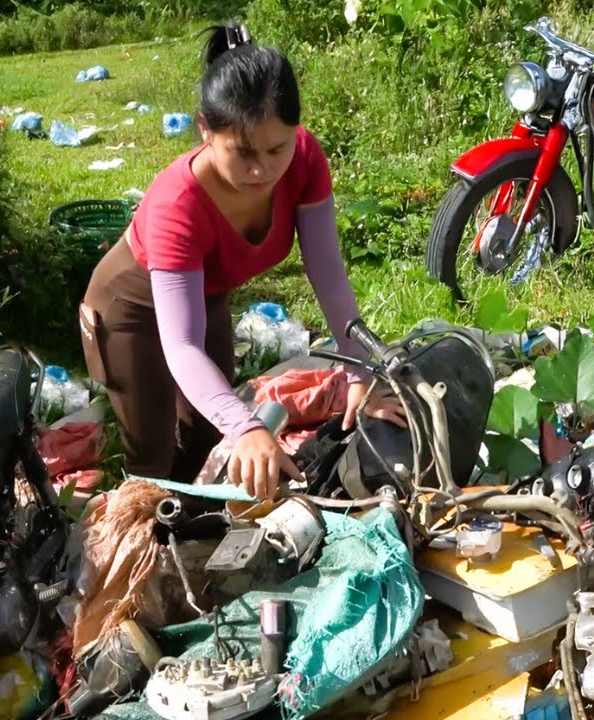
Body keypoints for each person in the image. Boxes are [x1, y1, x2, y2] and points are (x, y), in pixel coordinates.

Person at [79, 24, 403, 502]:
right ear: (205, 130)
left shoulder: (306, 159)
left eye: (277, 149)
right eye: (243, 152)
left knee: (208, 432)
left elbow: (328, 273)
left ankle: (191, 526)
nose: (263, 170)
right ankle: (144, 548)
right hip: (131, 304)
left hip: (206, 295)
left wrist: (360, 373)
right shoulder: (178, 203)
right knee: (151, 456)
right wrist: (249, 427)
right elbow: (182, 346)